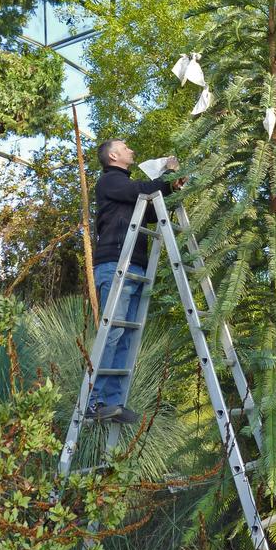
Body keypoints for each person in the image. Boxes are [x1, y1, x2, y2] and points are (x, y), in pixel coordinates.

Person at [87, 139, 183, 423]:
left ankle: (113, 403)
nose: (131, 148)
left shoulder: (127, 190)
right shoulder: (109, 182)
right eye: (125, 146)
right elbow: (143, 190)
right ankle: (93, 402)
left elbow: (151, 213)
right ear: (113, 155)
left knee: (127, 336)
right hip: (115, 263)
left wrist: (175, 187)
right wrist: (168, 174)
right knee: (113, 332)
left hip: (134, 265)